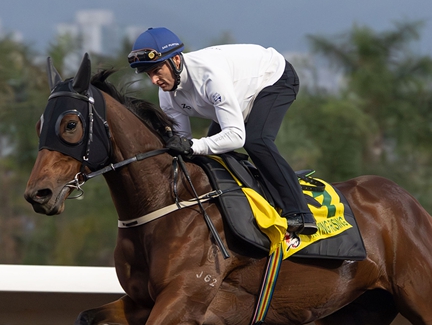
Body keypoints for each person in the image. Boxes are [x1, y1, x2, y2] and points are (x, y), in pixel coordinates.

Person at [128, 27, 317, 236]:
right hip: (239, 94)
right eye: (148, 74)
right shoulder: (167, 95)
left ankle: (300, 213)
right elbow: (184, 143)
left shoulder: (210, 76)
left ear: (176, 61)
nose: (154, 81)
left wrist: (193, 145)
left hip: (274, 78)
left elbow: (236, 136)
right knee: (212, 153)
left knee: (256, 140)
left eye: (156, 71)